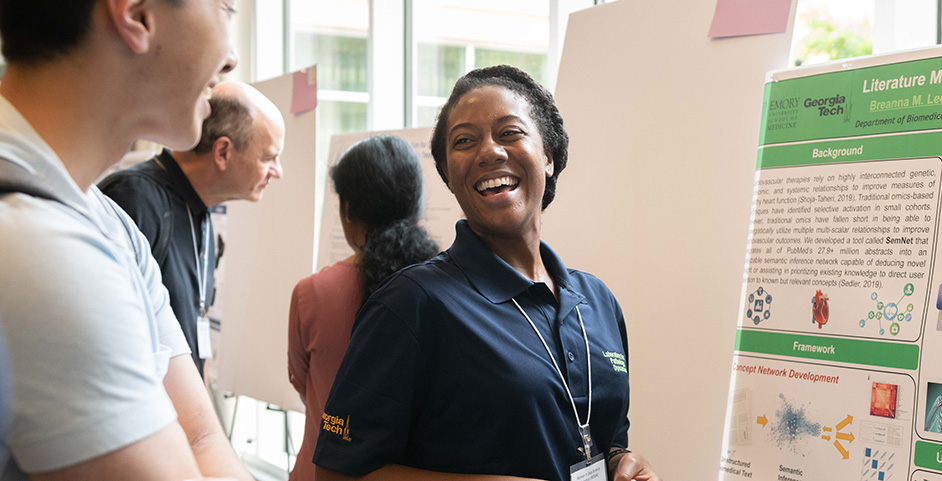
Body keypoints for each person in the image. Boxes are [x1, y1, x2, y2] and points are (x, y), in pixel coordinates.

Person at [313, 65, 661, 481]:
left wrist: (623, 461)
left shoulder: (598, 301)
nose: (489, 151)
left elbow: (603, 437)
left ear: (548, 156)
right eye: (464, 141)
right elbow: (337, 473)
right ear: (449, 175)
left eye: (510, 132)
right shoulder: (411, 303)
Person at [0, 1, 253, 480]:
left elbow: (200, 434)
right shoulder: (37, 243)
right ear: (136, 14)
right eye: (223, 7)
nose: (231, 58)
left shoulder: (107, 220)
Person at [100, 80, 286, 375]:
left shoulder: (199, 211)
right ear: (223, 152)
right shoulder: (135, 199)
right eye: (268, 157)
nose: (278, 171)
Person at [287, 134, 438, 481]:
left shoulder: (312, 293)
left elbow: (302, 384)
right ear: (416, 205)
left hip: (321, 470)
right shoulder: (445, 288)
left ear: (348, 211)